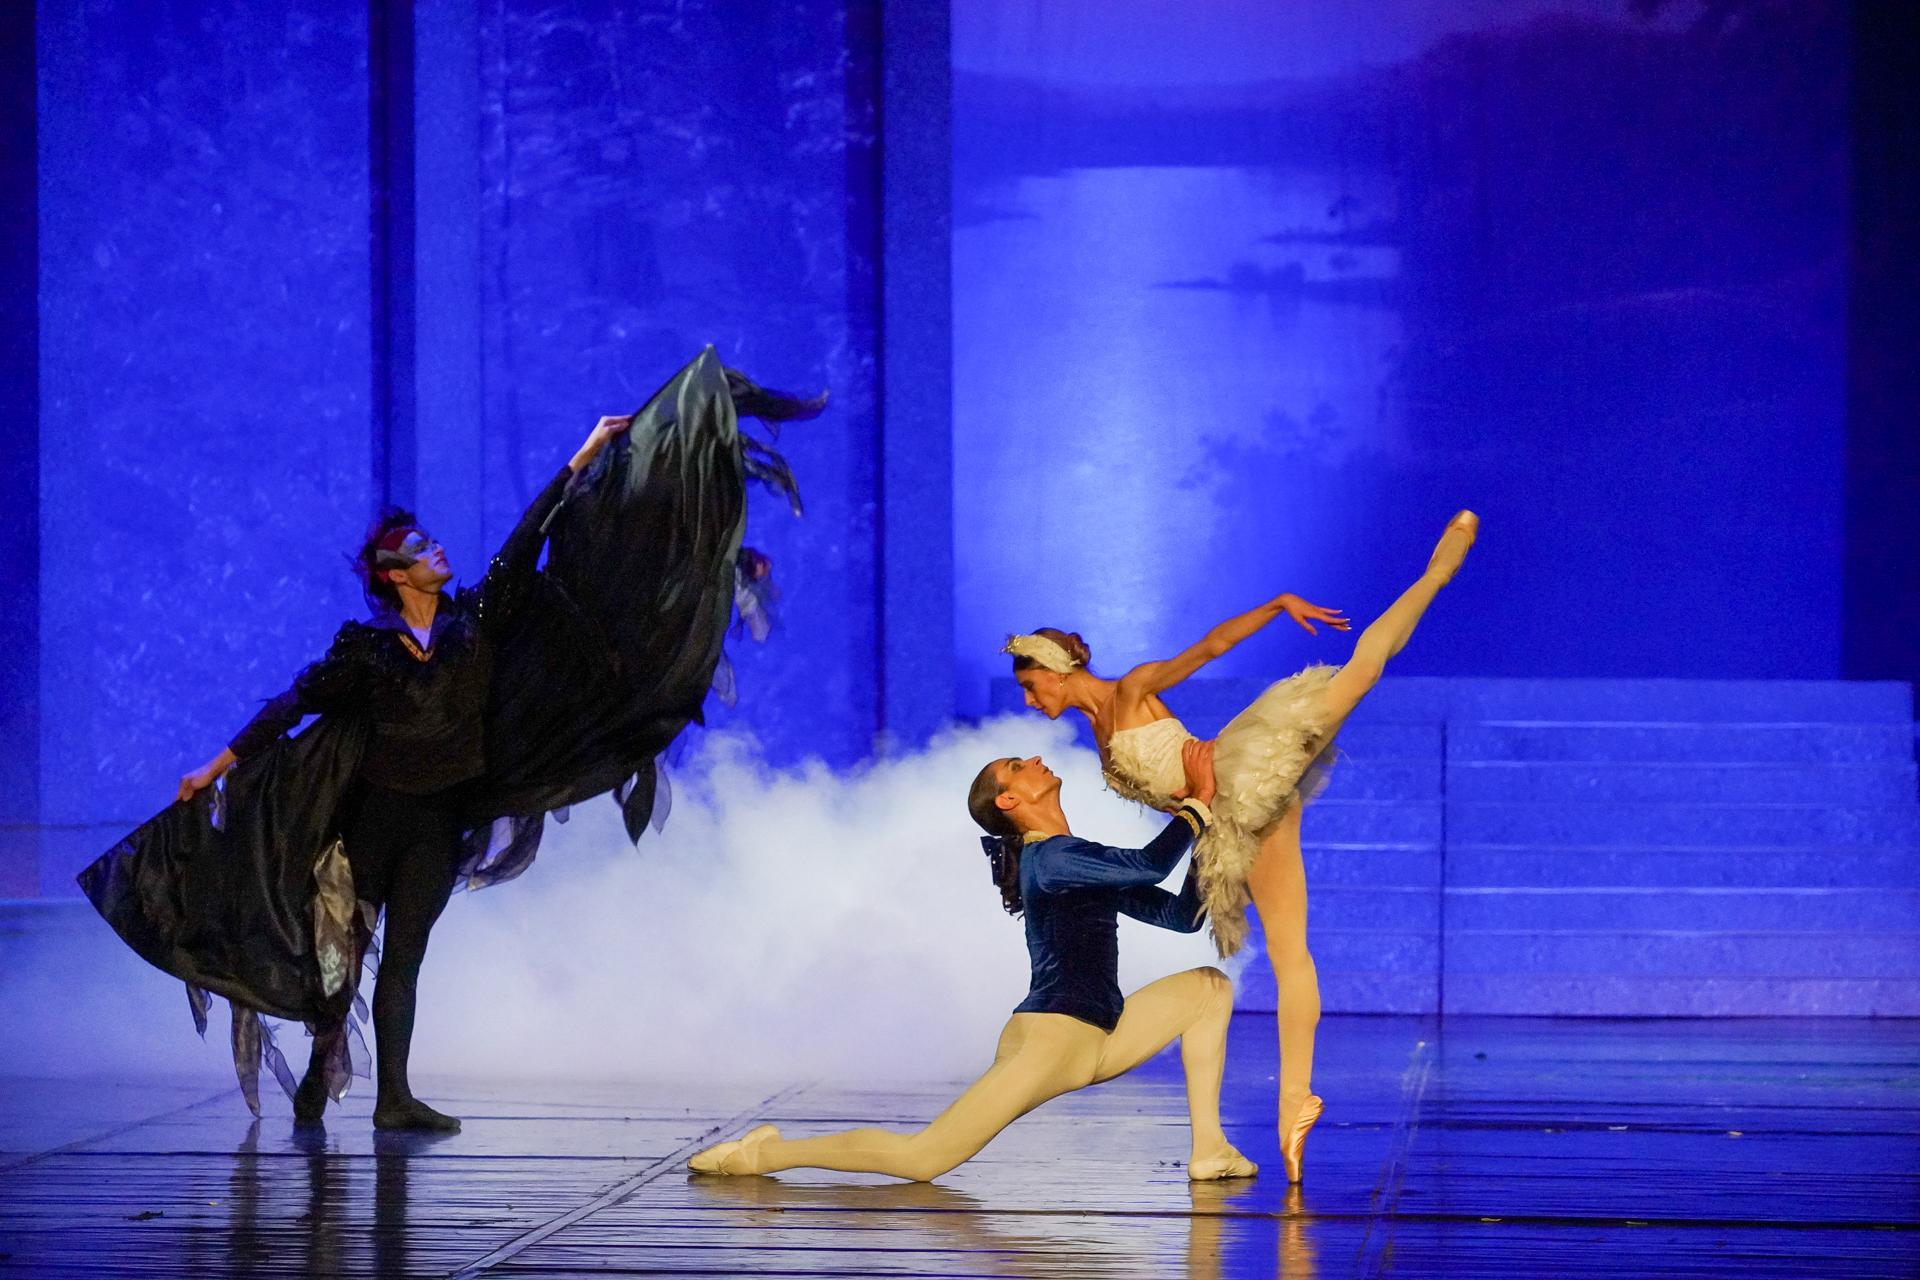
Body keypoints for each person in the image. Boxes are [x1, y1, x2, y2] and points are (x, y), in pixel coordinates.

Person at [80, 350, 824, 1130]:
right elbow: (290, 706)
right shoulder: (365, 650)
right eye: (419, 548)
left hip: (439, 820)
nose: (437, 550)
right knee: (341, 957)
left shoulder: (475, 625)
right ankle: (319, 1066)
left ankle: (392, 1098)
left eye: (433, 543)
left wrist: (582, 459)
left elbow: (525, 543)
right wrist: (212, 768)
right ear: (394, 574)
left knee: (404, 957)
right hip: (373, 817)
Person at [1005, 510, 1477, 1179]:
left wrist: (1277, 605)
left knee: (1360, 671)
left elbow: (1208, 648)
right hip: (1229, 819)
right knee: (1289, 954)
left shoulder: (1132, 690)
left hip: (1242, 768)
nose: (1030, 700)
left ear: (1054, 668)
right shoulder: (1095, 736)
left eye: (1030, 686)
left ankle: (1437, 572)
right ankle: (1294, 1104)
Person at [688, 740, 1257, 1182]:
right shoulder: (1053, 859)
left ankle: (1209, 1149)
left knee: (1209, 988)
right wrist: (1198, 801)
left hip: (1099, 1034)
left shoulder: (1077, 860)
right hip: (1050, 1040)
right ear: (1010, 801)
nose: (1034, 759)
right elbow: (1153, 863)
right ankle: (764, 1154)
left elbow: (1182, 917)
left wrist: (1220, 846)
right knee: (923, 1159)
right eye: (1016, 765)